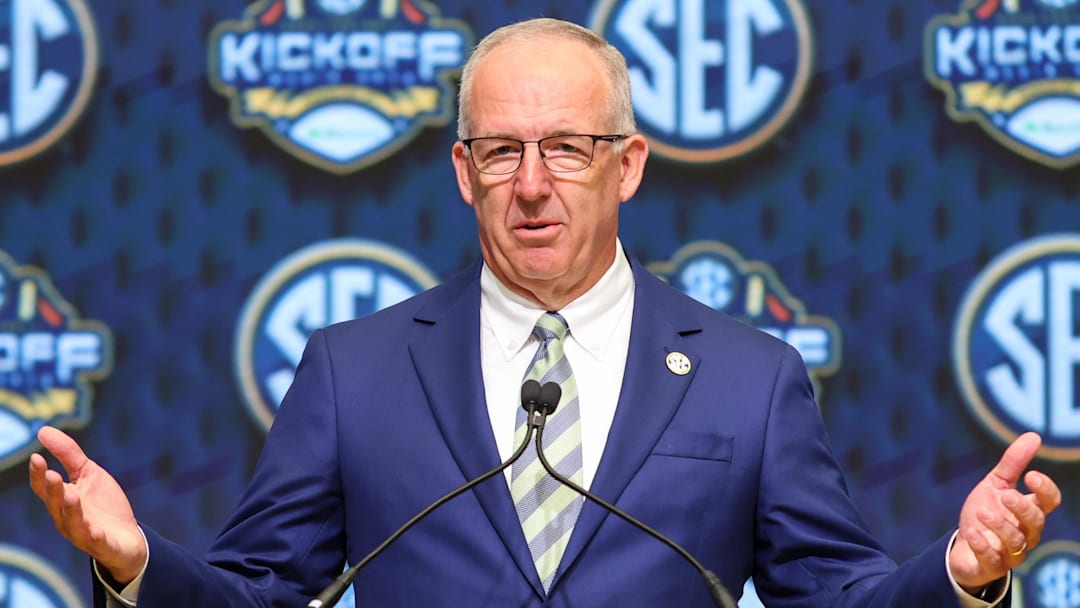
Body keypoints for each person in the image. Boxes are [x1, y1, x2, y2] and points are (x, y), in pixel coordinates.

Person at [30, 17, 1060, 607]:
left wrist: (962, 579)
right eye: (500, 151)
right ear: (461, 172)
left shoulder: (751, 379)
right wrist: (137, 563)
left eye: (567, 147)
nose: (532, 184)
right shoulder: (356, 369)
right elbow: (256, 596)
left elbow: (839, 602)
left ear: (629, 166)